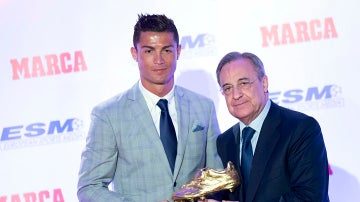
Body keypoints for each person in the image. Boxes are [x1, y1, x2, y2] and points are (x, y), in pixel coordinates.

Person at [77, 14, 223, 202]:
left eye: (166, 50)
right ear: (134, 53)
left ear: (178, 51)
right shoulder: (108, 115)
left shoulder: (203, 107)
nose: (159, 60)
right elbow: (89, 188)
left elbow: (217, 177)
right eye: (148, 51)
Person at [215, 51, 329, 201]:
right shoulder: (225, 141)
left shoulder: (300, 129)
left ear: (264, 83)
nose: (236, 95)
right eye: (228, 88)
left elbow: (309, 197)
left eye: (243, 83)